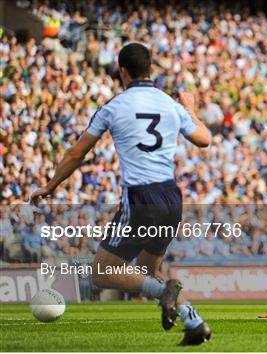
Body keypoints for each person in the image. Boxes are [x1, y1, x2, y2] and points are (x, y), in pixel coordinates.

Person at [30, 42, 212, 346]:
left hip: (142, 198)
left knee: (101, 273)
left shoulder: (113, 107)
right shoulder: (171, 105)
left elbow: (77, 153)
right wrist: (190, 109)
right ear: (150, 69)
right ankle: (194, 322)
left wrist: (51, 186)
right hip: (171, 198)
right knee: (147, 271)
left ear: (123, 72)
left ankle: (166, 291)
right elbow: (204, 139)